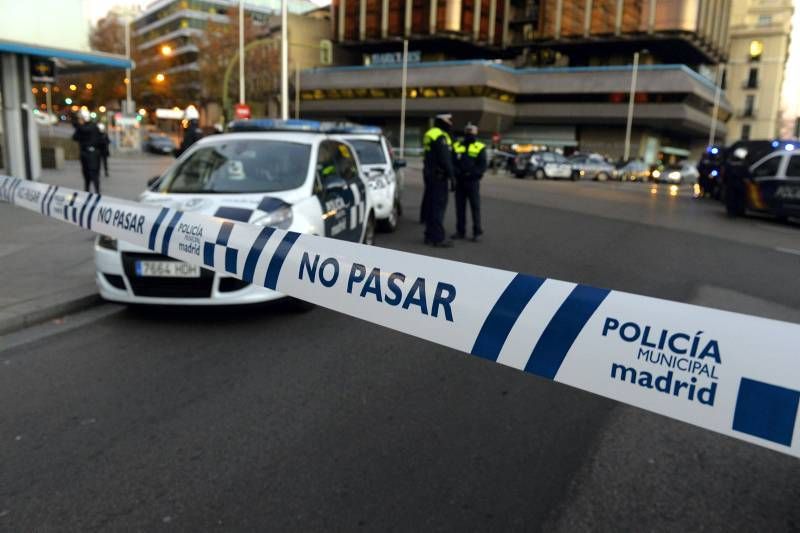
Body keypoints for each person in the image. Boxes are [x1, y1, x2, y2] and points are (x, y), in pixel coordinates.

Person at [422, 113, 456, 247]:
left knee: (431, 206)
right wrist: (452, 176)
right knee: (438, 207)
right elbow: (445, 159)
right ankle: (438, 238)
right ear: (443, 122)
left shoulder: (430, 133)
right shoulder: (440, 136)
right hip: (439, 176)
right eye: (449, 121)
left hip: (430, 174)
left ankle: (429, 235)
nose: (451, 124)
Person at [452, 123, 486, 242]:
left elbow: (482, 165)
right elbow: (453, 162)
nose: (469, 134)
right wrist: (458, 173)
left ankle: (477, 232)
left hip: (472, 182)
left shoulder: (480, 147)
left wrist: (471, 174)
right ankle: (460, 231)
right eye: (467, 132)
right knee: (460, 208)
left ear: (476, 133)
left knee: (475, 207)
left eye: (471, 132)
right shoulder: (457, 145)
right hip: (460, 182)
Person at [72, 109, 102, 193]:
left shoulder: (93, 126)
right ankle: (86, 190)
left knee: (94, 173)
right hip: (84, 153)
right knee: (86, 174)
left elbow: (86, 130)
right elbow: (75, 137)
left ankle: (97, 191)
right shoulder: (81, 127)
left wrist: (79, 125)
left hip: (92, 153)